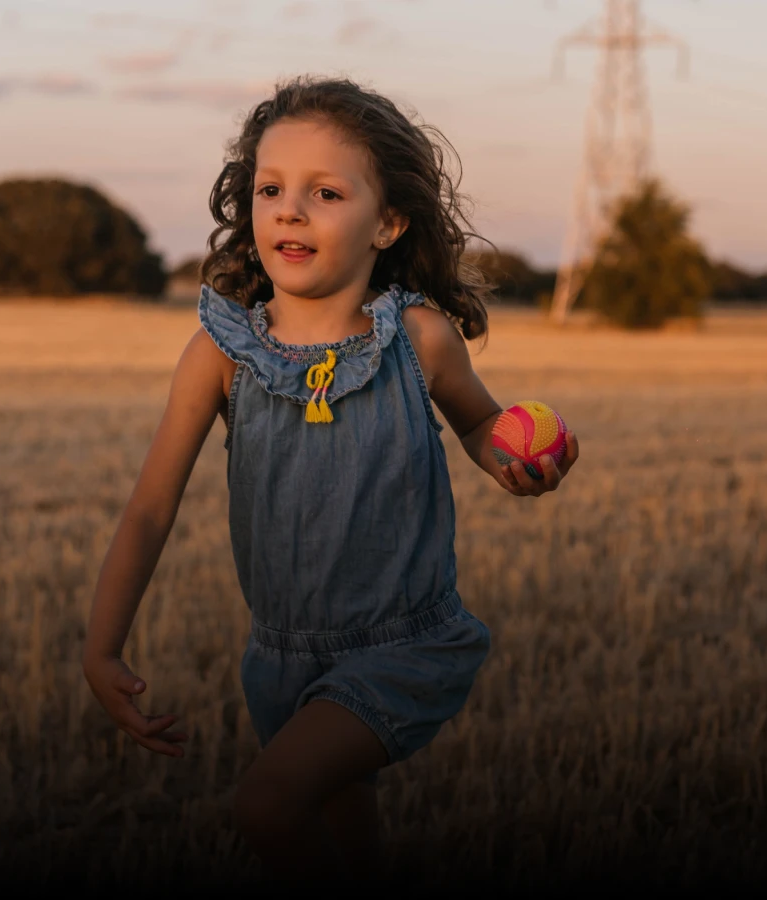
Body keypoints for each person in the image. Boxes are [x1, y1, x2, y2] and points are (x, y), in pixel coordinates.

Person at [80, 75, 578, 881]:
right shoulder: (219, 354)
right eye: (270, 189)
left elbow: (479, 423)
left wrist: (513, 456)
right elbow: (148, 510)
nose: (290, 211)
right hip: (280, 657)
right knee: (345, 837)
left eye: (325, 193)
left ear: (387, 222)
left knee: (267, 807)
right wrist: (100, 647)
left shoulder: (417, 337)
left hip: (401, 646)